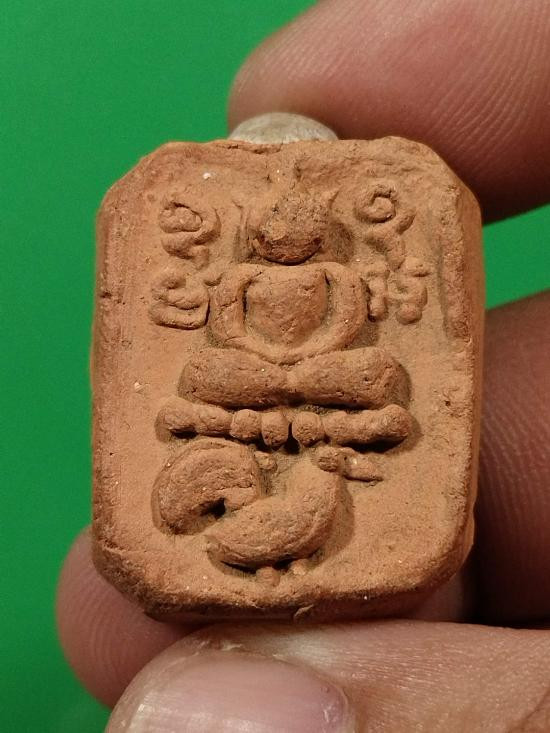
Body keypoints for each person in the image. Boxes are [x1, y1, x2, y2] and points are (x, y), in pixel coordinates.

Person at [57, 1, 550, 730]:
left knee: (378, 375)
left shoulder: (337, 277)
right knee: (203, 376)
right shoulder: (240, 276)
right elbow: (228, 332)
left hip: (322, 375)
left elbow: (347, 330)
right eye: (273, 231)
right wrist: (267, 365)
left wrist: (306, 368)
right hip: (254, 378)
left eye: (300, 230)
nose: (284, 240)